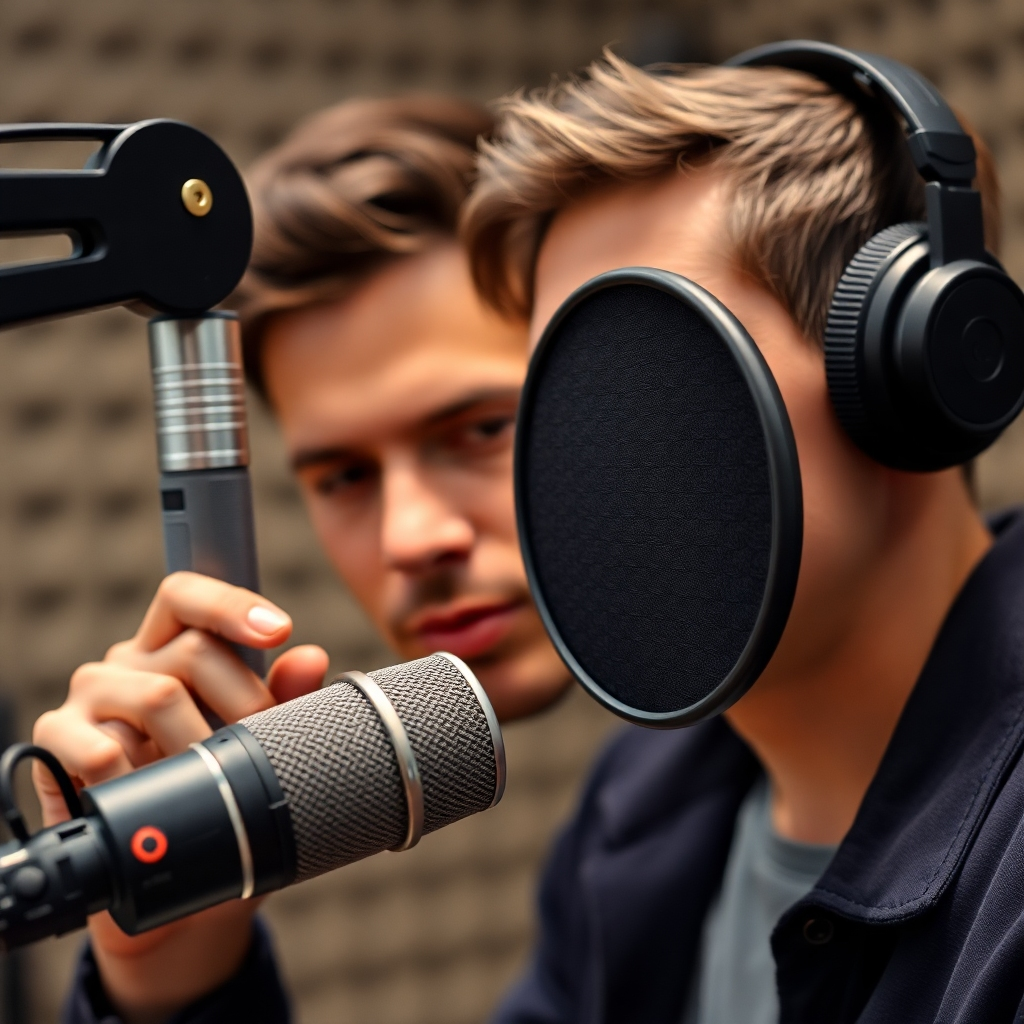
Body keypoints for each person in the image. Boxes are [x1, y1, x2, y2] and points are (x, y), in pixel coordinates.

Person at [460, 52, 1024, 1023]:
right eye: (572, 400)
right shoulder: (637, 809)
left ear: (910, 374)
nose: (592, 472)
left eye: (654, 375)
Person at [37, 96, 571, 1024]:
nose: (412, 539)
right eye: (344, 475)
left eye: (484, 428)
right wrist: (171, 980)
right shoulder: (633, 846)